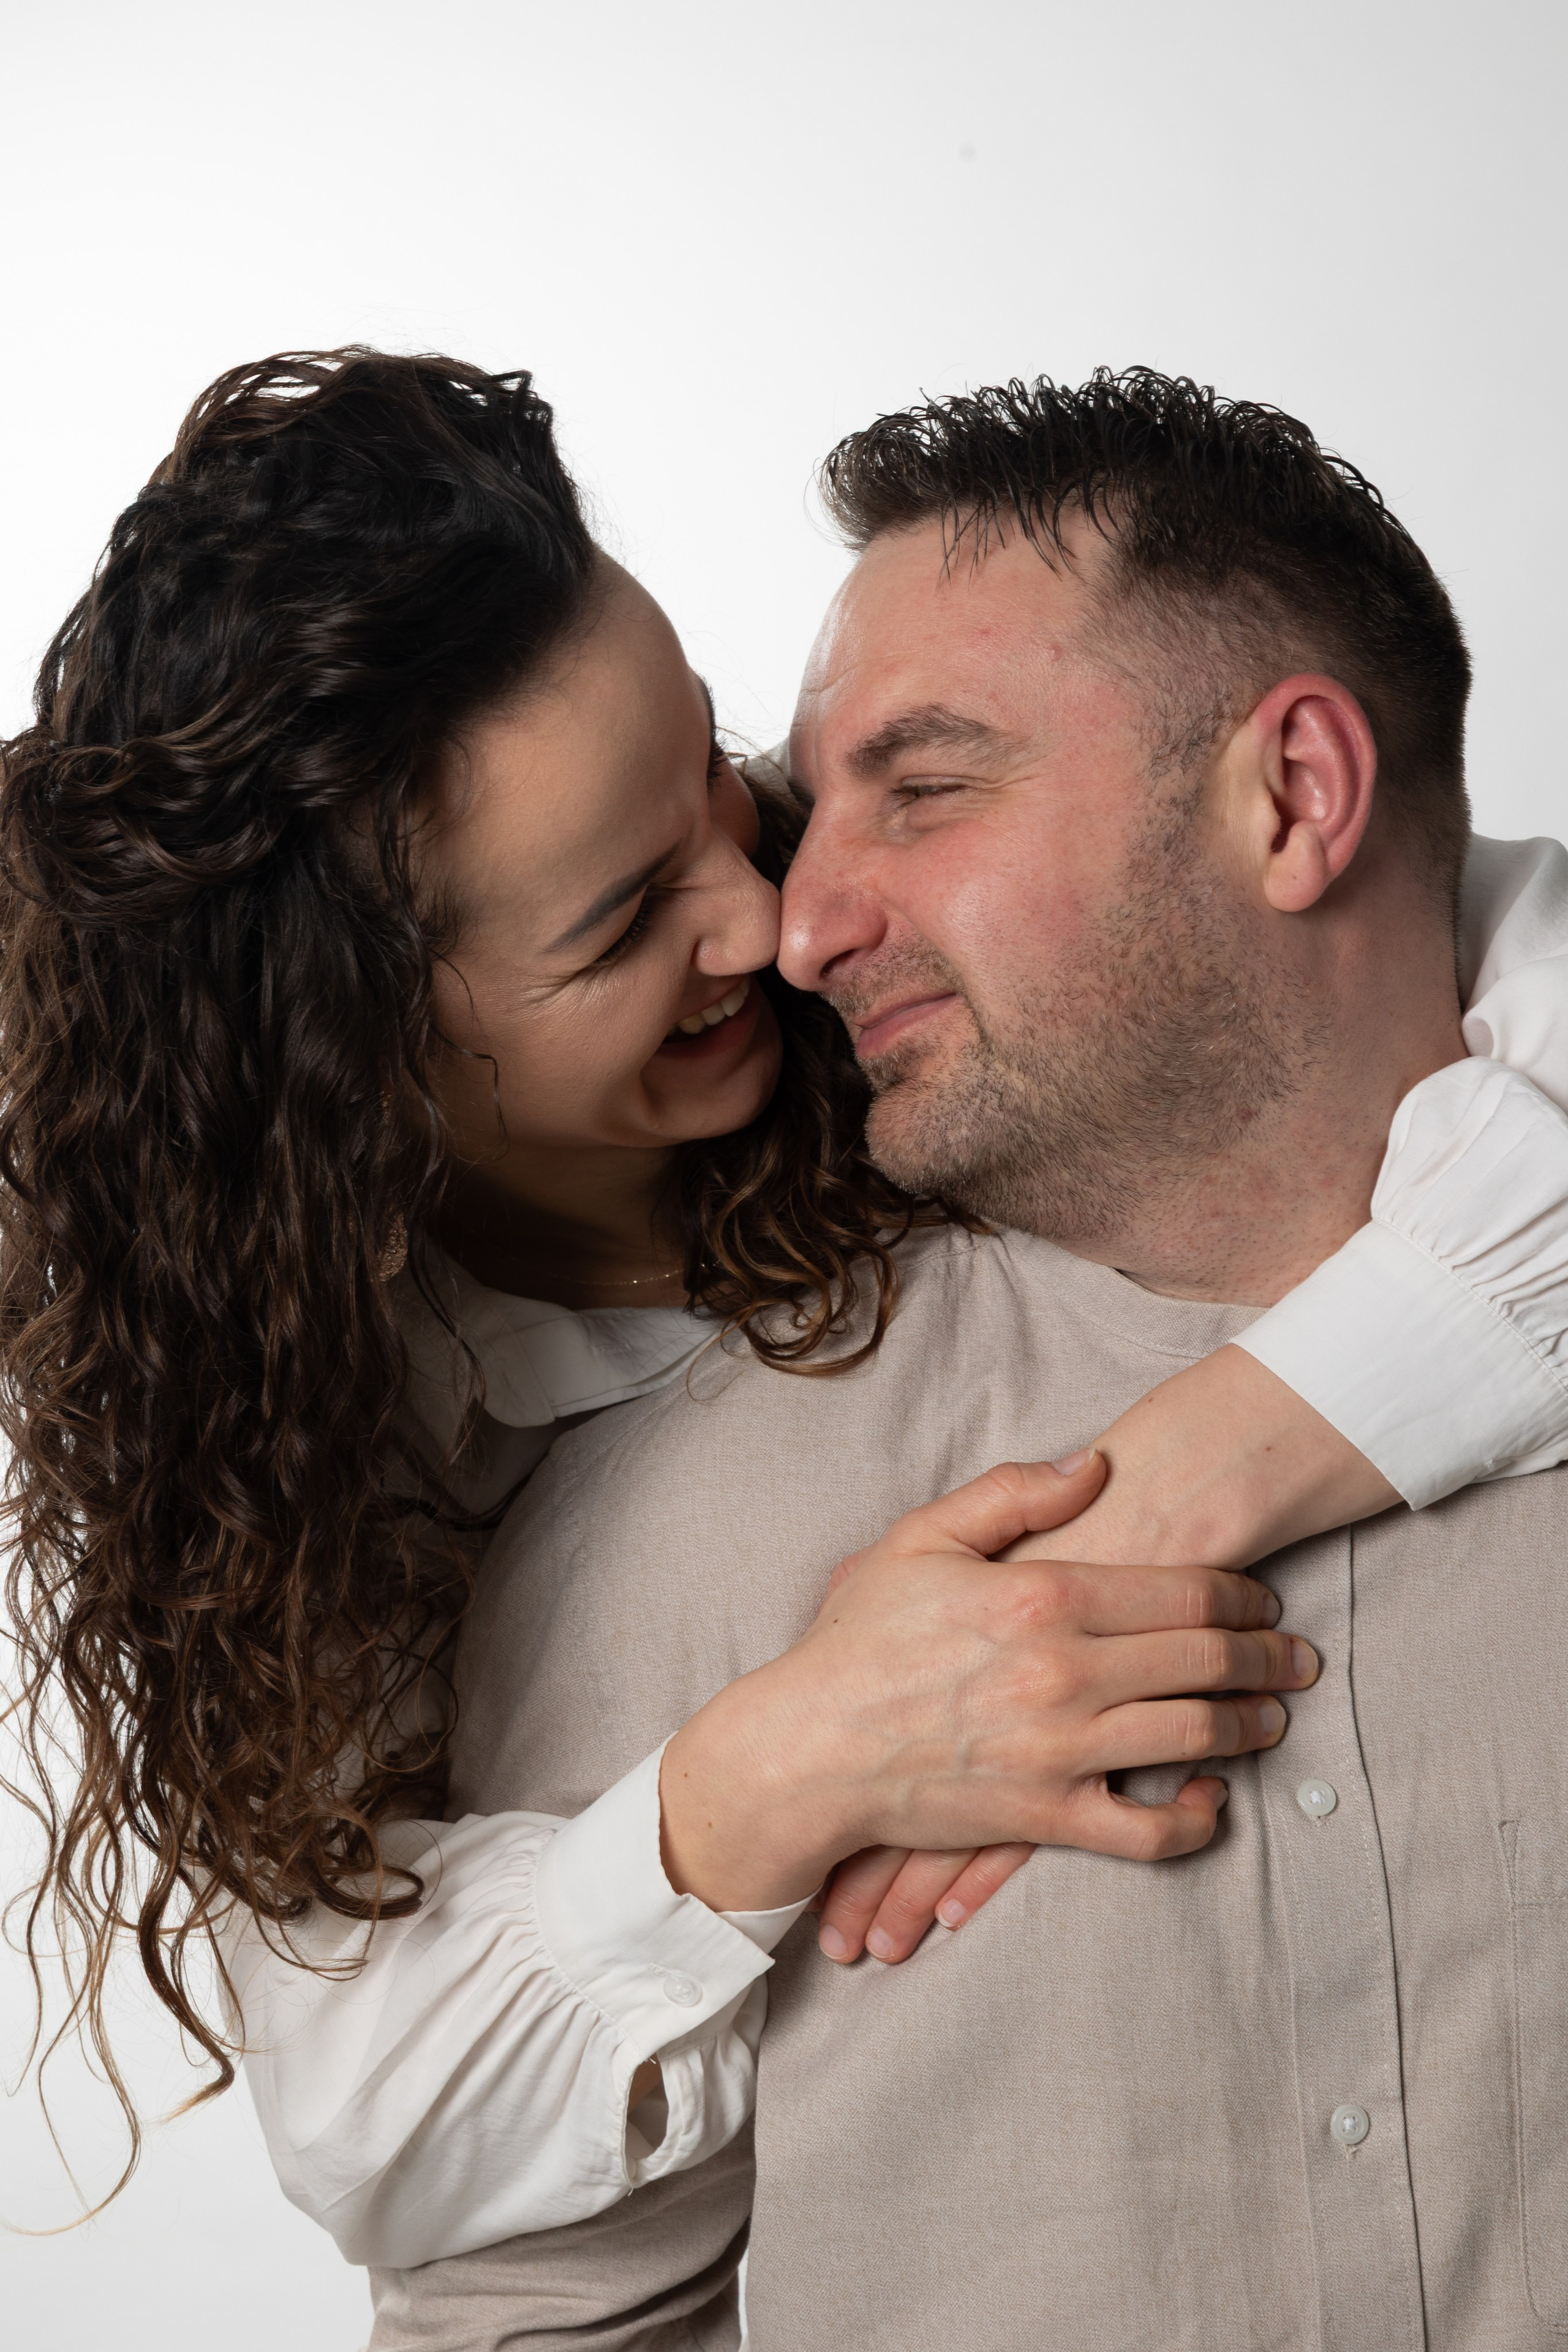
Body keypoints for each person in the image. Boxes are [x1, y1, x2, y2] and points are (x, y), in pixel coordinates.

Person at [1, 351, 1566, 2274]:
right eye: (621, 920)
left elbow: (1455, 953)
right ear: (362, 1078)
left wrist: (1165, 1494)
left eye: (709, 780)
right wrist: (797, 1764)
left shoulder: (968, 1024)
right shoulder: (295, 1413)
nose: (775, 921)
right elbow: (374, 2126)